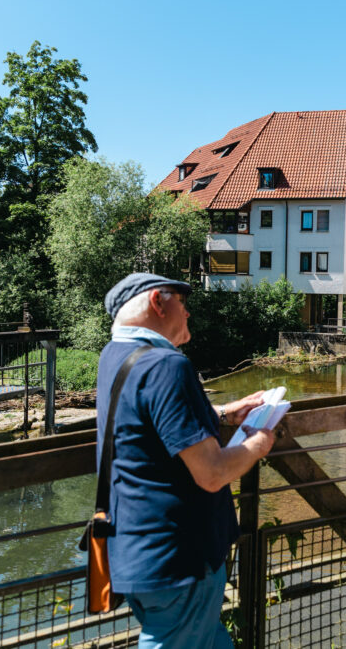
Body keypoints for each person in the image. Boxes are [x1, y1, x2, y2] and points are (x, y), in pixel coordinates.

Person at [96, 273, 275, 649]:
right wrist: (258, 442)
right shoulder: (167, 365)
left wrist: (224, 413)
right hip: (179, 559)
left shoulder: (116, 357)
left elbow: (152, 416)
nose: (189, 312)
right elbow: (212, 473)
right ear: (158, 303)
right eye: (182, 301)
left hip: (134, 552)